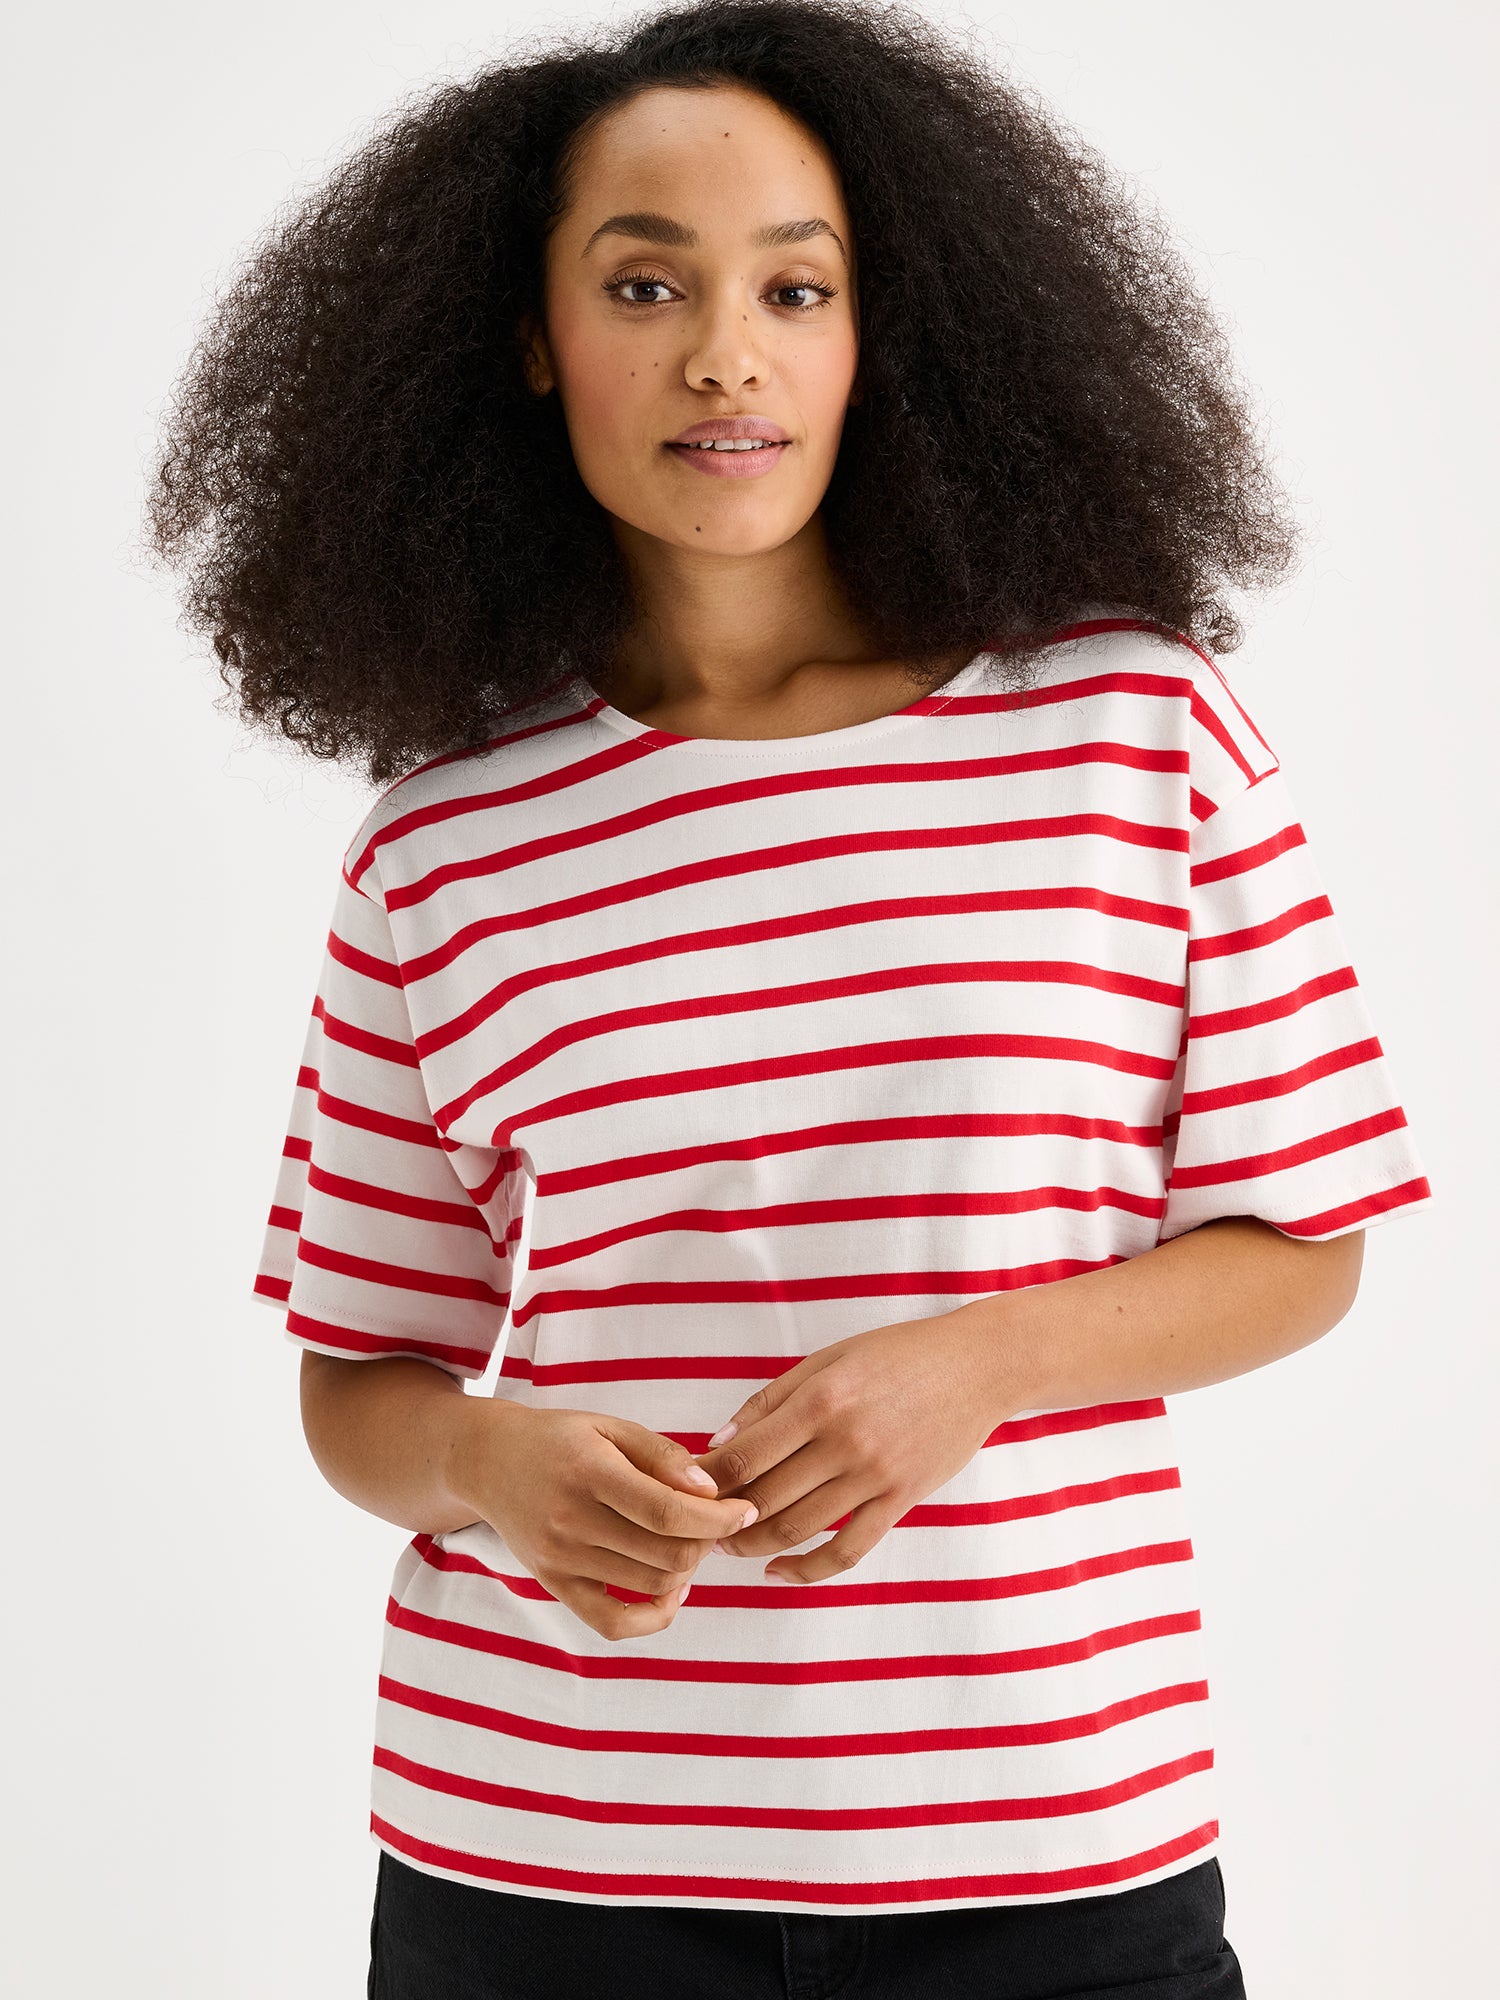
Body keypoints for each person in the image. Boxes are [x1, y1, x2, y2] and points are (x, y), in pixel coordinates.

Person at [143, 2, 1433, 1993]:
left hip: (1040, 1838)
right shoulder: (446, 837)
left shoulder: (1131, 732)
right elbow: (363, 1379)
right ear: (530, 339)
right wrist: (494, 1465)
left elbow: (1303, 1242)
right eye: (643, 284)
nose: (724, 354)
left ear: (876, 332)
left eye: (795, 288)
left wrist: (978, 1365)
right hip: (540, 1861)